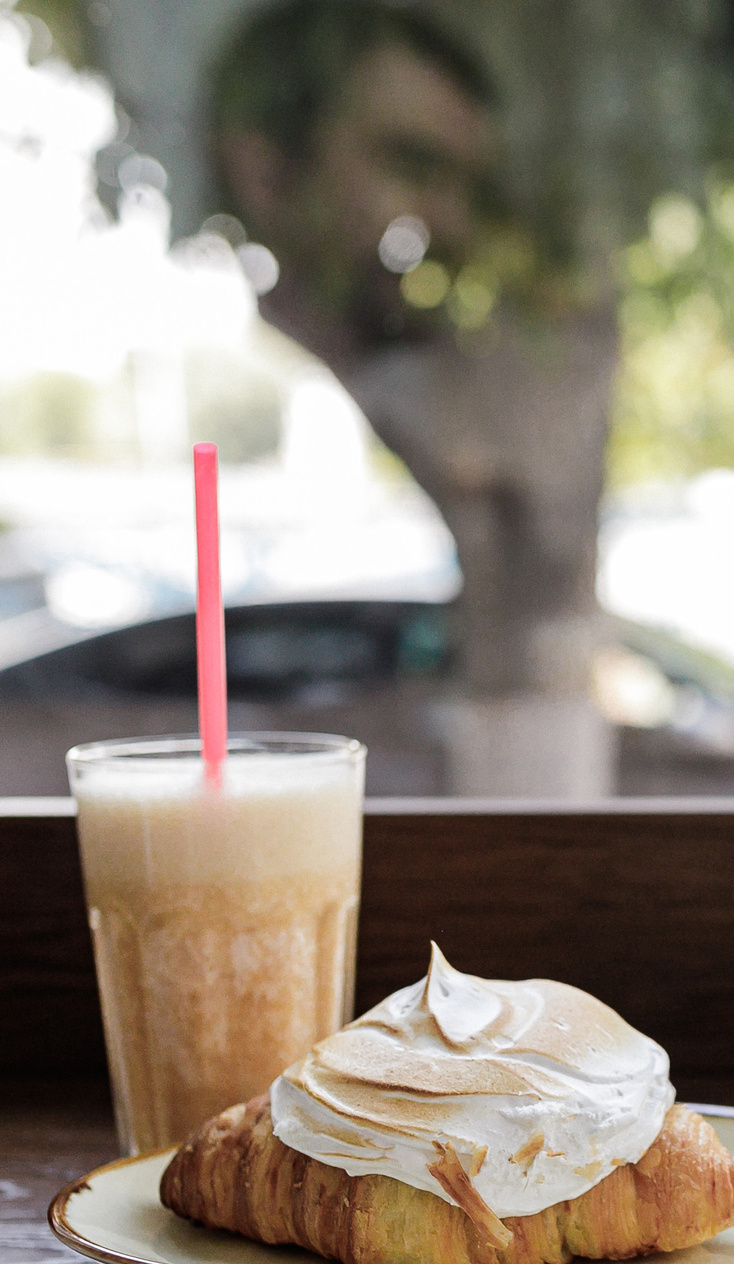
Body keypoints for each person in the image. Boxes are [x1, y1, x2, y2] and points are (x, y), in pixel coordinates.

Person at [212, 0, 617, 798]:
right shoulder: (250, 375)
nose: (450, 224)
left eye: (466, 185)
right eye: (409, 164)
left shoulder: (428, 368)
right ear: (267, 171)